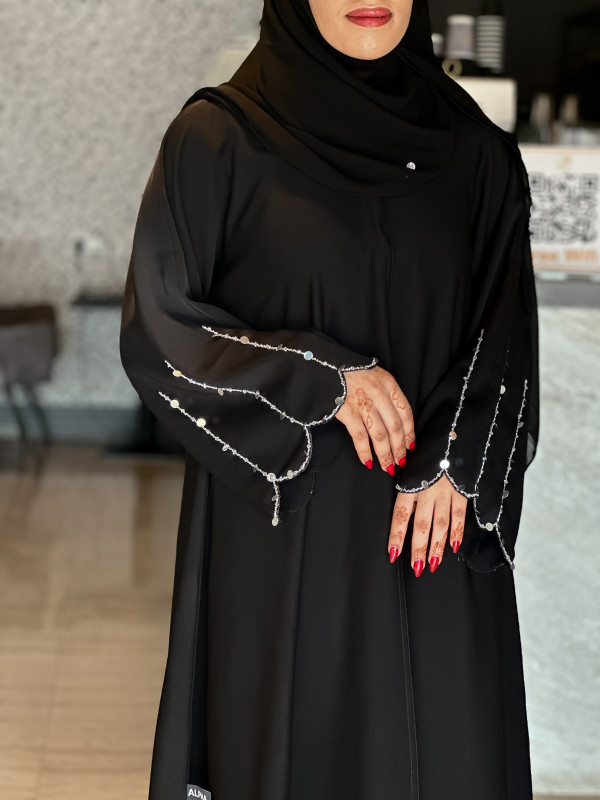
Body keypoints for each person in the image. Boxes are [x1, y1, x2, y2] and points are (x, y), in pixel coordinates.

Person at [120, 0, 540, 797]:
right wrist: (319, 380)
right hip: (285, 539)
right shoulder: (218, 141)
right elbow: (161, 326)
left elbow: (506, 335)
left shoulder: (477, 157)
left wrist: (460, 460)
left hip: (431, 533)